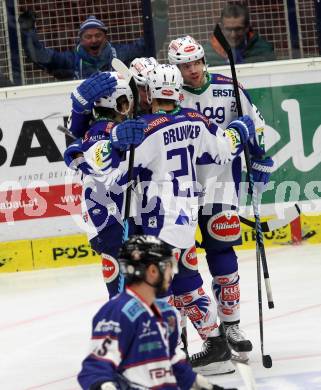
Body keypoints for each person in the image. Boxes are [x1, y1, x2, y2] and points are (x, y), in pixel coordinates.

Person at [79, 63, 256, 375]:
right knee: (186, 282)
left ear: (149, 92)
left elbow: (113, 176)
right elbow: (225, 149)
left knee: (155, 288)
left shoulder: (147, 129)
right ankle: (215, 343)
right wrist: (240, 128)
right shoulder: (196, 120)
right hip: (187, 217)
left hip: (158, 219)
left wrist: (94, 150)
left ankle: (164, 355)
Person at [168, 35, 274, 369]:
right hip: (178, 192)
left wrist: (258, 157)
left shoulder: (230, 88)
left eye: (197, 62)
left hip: (221, 187)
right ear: (174, 68)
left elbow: (254, 126)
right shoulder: (168, 93)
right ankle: (191, 334)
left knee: (222, 253)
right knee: (182, 263)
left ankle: (231, 325)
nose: (193, 70)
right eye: (185, 65)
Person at [78, 235, 237, 390]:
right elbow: (94, 368)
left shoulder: (167, 313)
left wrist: (204, 385)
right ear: (152, 271)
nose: (172, 273)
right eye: (168, 266)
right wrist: (104, 385)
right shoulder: (118, 312)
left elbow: (173, 363)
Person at [64, 72, 146, 297]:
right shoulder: (104, 130)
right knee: (126, 289)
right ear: (117, 104)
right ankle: (123, 328)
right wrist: (113, 145)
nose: (129, 107)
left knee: (132, 284)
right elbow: (96, 160)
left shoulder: (101, 128)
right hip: (111, 215)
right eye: (125, 102)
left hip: (111, 214)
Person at [18, 12, 146, 80]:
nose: (94, 40)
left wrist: (160, 16)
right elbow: (41, 56)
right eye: (88, 37)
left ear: (105, 37)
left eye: (98, 35)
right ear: (81, 40)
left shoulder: (120, 53)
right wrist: (28, 32)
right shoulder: (71, 60)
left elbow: (146, 45)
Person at [203, 2, 276, 66]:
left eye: (238, 29)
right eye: (228, 29)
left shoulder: (263, 49)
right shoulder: (206, 53)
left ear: (247, 28)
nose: (233, 35)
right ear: (221, 28)